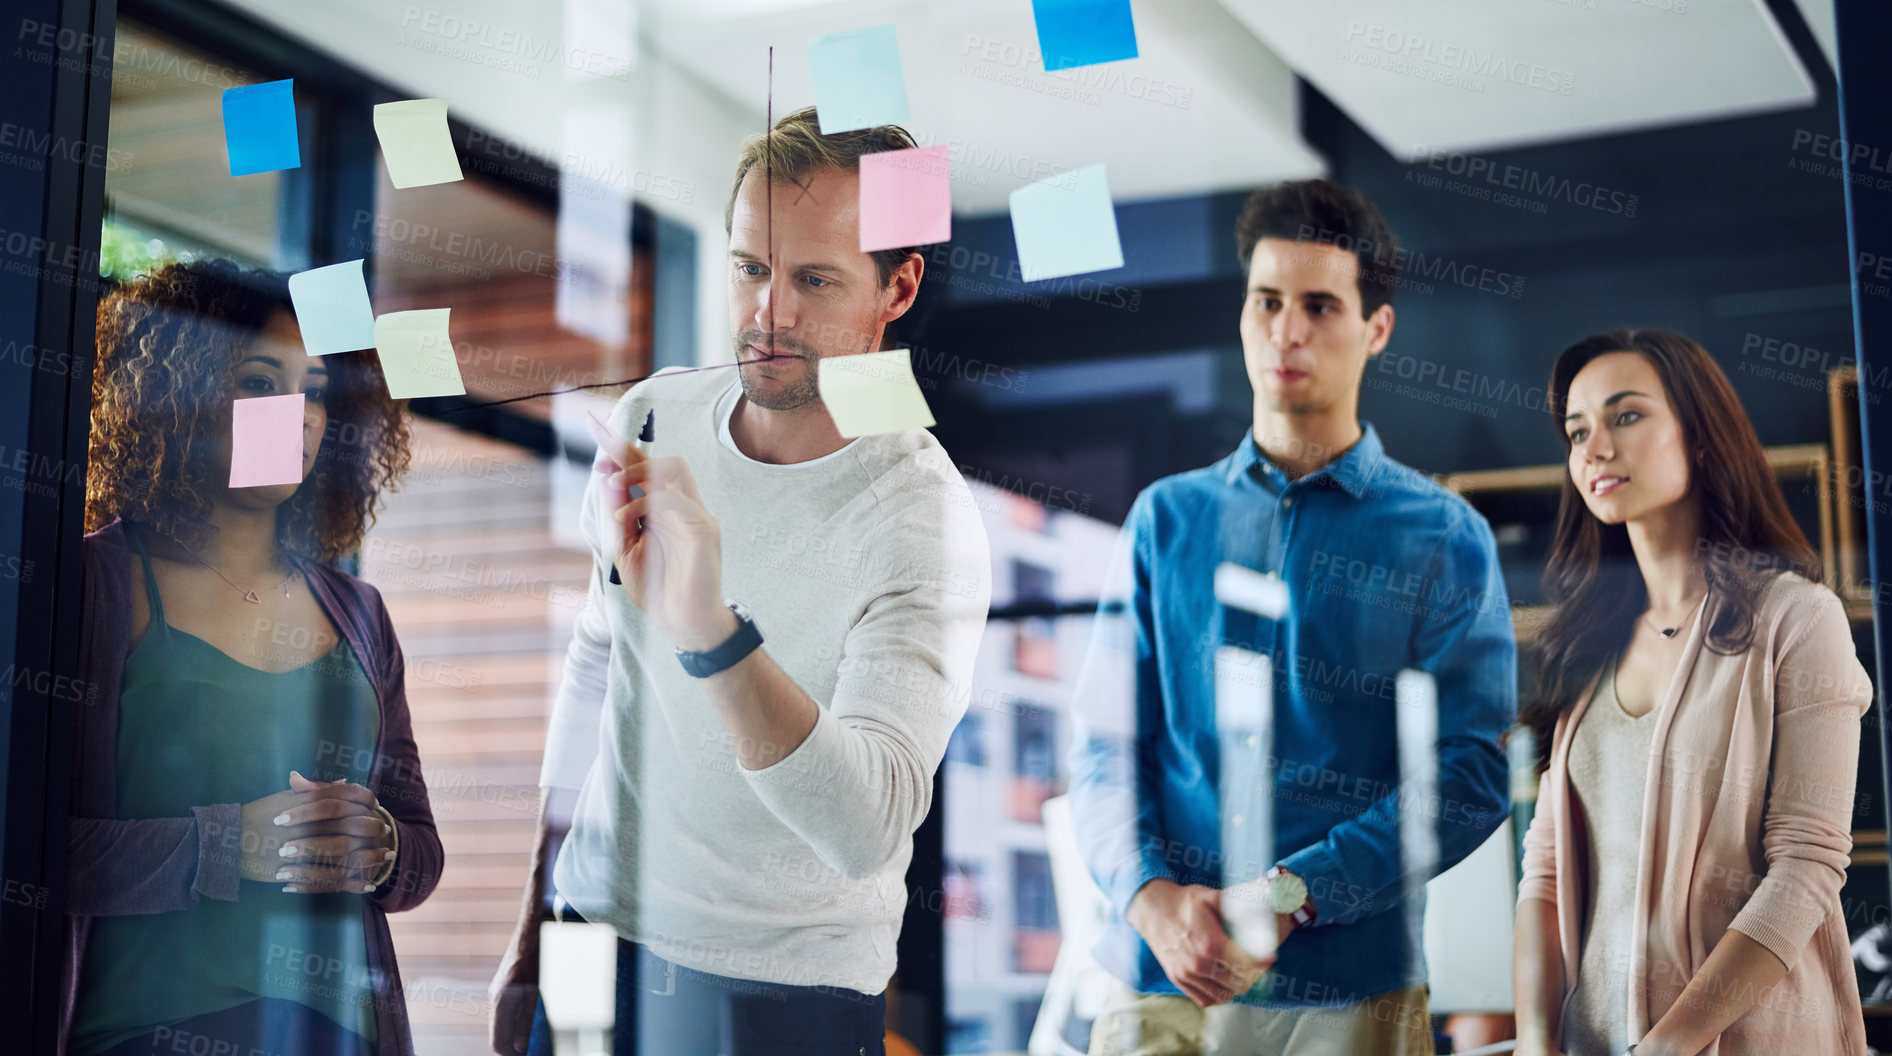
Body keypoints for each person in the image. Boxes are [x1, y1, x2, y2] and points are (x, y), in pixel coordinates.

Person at [487, 106, 990, 1056]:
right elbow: (597, 670)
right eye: (751, 268)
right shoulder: (653, 414)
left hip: (784, 993)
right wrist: (530, 935)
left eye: (814, 279)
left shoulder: (922, 518)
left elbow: (868, 826)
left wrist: (710, 627)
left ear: (900, 286)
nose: (770, 315)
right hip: (593, 934)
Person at [1068, 179, 1517, 1055]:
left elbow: (1471, 775)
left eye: (1319, 305)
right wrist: (1151, 901)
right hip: (1161, 980)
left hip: (1348, 993)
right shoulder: (1167, 522)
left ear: (1376, 329)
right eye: (1267, 302)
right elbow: (1103, 747)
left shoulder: (1443, 536)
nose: (1287, 330)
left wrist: (1286, 896)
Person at [60, 259, 443, 1056]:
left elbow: (420, 849)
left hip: (344, 1034)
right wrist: (227, 844)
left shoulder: (361, 613)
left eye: (315, 390)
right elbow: (36, 854)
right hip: (145, 1032)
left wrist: (382, 849)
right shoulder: (92, 583)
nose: (298, 415)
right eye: (261, 383)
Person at [1513, 329, 1872, 1056]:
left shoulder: (1797, 619)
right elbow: (1544, 877)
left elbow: (1806, 869)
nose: (1594, 448)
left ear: (1701, 437)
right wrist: (1531, 1044)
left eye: (1626, 416)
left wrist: (1670, 1045)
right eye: (1577, 431)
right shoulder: (1585, 642)